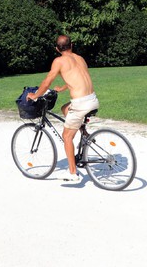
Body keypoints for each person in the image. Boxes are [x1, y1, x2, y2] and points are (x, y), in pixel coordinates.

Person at [27, 35, 99, 183]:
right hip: (92, 99)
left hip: (81, 103)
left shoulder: (58, 61)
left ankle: (73, 173)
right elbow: (79, 77)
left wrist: (35, 95)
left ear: (57, 49)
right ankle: (84, 133)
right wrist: (63, 87)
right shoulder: (80, 58)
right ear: (71, 45)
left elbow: (47, 82)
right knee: (65, 108)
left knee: (67, 136)